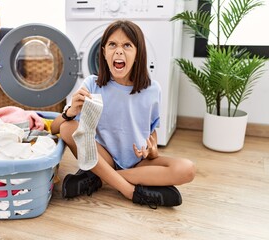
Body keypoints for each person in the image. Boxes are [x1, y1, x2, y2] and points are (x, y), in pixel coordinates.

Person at [51, 20, 195, 209]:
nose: (119, 51)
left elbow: (151, 133)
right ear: (104, 52)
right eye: (112, 45)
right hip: (103, 157)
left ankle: (100, 180)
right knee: (68, 127)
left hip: (137, 163)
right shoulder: (92, 84)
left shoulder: (152, 90)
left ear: (138, 53)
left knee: (187, 169)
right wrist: (71, 112)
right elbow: (55, 128)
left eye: (127, 45)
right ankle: (130, 191)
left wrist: (151, 150)